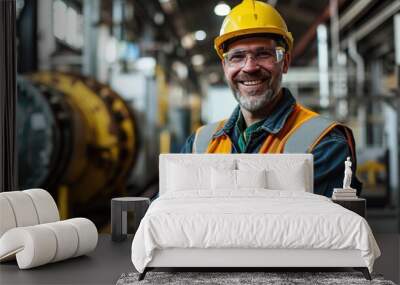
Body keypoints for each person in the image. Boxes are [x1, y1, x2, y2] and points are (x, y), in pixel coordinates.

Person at [180, 0, 362, 197]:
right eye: (237, 57)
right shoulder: (200, 144)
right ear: (225, 67)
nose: (249, 67)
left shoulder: (324, 142)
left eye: (263, 54)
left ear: (285, 62)